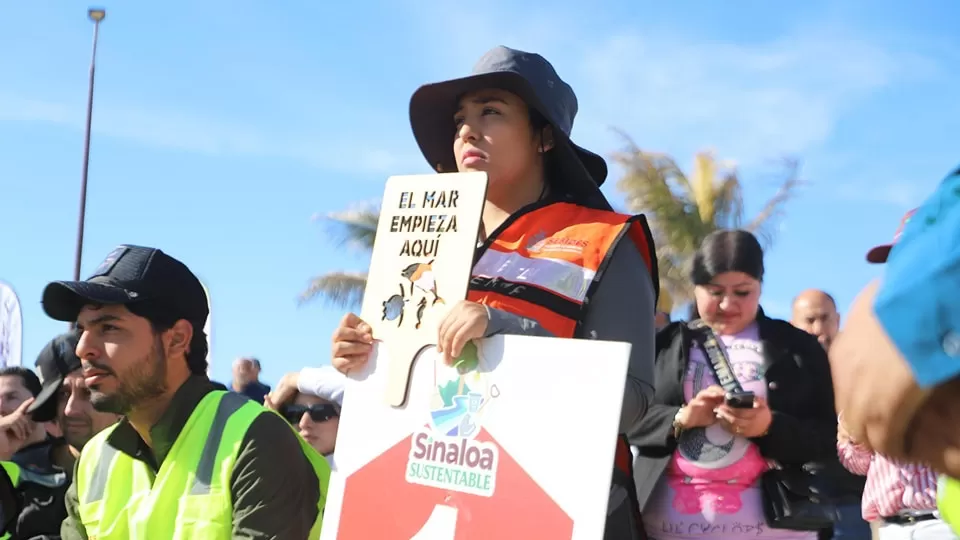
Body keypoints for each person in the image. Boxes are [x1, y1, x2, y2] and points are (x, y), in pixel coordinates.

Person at [329, 45, 659, 538]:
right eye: (461, 117)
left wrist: (506, 333)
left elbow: (636, 404)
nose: (466, 129)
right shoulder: (423, 242)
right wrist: (360, 354)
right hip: (424, 504)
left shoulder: (604, 239)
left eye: (491, 111)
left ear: (544, 137)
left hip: (557, 509)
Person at [42, 244, 330, 540]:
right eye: (82, 330)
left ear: (178, 339)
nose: (82, 349)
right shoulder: (93, 459)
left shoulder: (257, 437)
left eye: (109, 328)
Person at [630, 230, 838, 540]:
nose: (728, 304)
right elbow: (623, 422)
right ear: (696, 289)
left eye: (742, 292)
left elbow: (827, 437)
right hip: (666, 529)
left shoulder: (798, 348)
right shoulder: (660, 345)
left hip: (780, 530)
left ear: (760, 288)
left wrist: (769, 426)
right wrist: (680, 418)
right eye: (715, 292)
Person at [830, 166, 960, 534]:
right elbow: (857, 463)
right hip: (892, 526)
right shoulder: (872, 352)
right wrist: (854, 436)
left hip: (945, 522)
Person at [791, 290, 869, 540]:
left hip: (851, 493)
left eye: (825, 319)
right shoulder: (781, 368)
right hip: (802, 492)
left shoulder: (861, 364)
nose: (818, 328)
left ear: (838, 319)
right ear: (793, 323)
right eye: (809, 320)